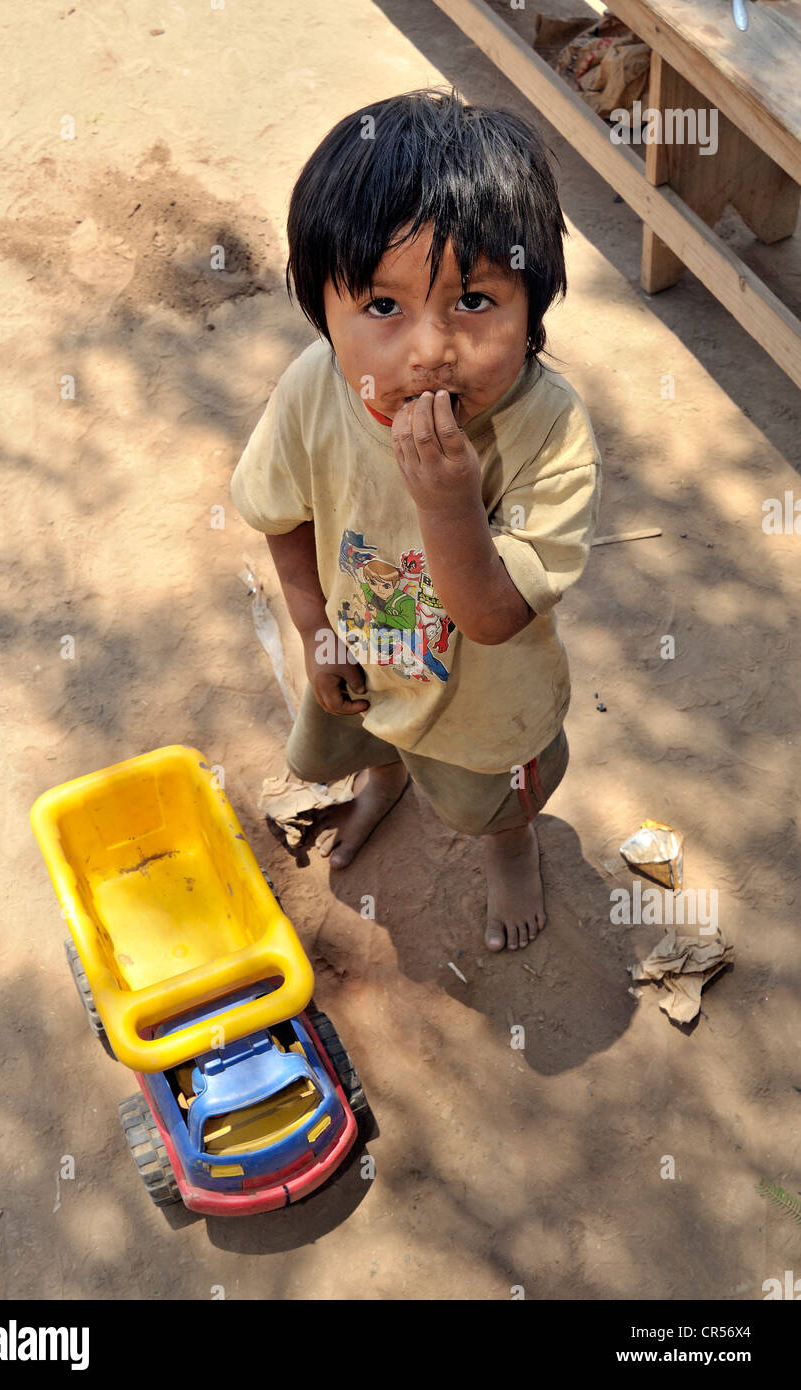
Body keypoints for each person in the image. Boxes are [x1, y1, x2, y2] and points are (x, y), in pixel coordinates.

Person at [231, 87, 601, 951]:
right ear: (322, 311)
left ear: (533, 307)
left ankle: (510, 850)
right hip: (364, 656)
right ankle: (382, 779)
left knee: (488, 798)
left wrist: (447, 500)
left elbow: (495, 616)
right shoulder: (313, 391)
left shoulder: (548, 431)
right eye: (381, 306)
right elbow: (280, 514)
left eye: (473, 301)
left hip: (482, 703)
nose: (429, 350)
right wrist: (315, 629)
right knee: (363, 737)